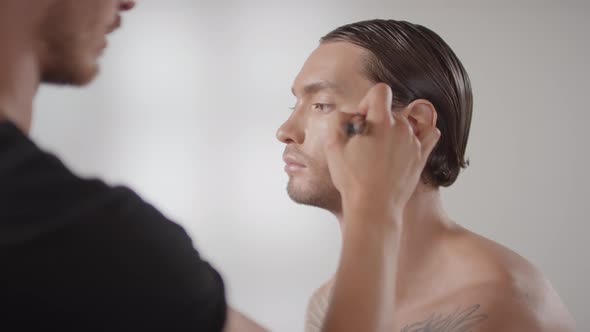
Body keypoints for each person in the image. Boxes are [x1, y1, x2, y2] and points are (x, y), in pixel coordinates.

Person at [277, 19, 577, 331]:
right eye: (294, 104)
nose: (285, 131)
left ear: (415, 127)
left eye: (321, 105)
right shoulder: (324, 304)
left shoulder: (499, 301)